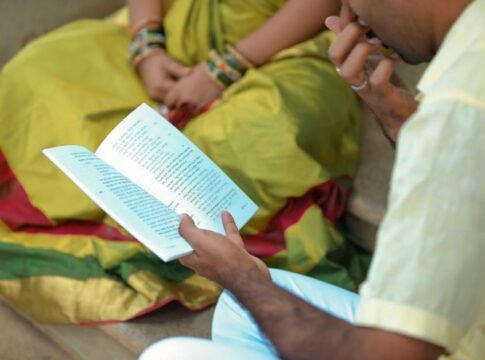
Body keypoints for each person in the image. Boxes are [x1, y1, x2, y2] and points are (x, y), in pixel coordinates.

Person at [140, 0, 485, 358]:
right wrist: (398, 121)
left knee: (167, 355)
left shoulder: (461, 107)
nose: (350, 12)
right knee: (236, 309)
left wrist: (241, 278)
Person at [0, 0, 366, 324]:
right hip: (174, 29)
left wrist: (223, 69)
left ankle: (156, 237)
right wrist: (147, 44)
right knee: (31, 77)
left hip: (287, 49)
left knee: (245, 142)